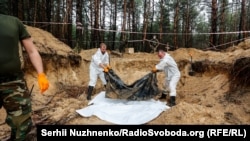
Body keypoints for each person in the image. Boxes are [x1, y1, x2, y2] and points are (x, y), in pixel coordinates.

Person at [0, 0, 49, 140]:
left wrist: (41, 74)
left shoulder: (14, 22)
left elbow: (32, 51)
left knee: (22, 124)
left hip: (14, 82)